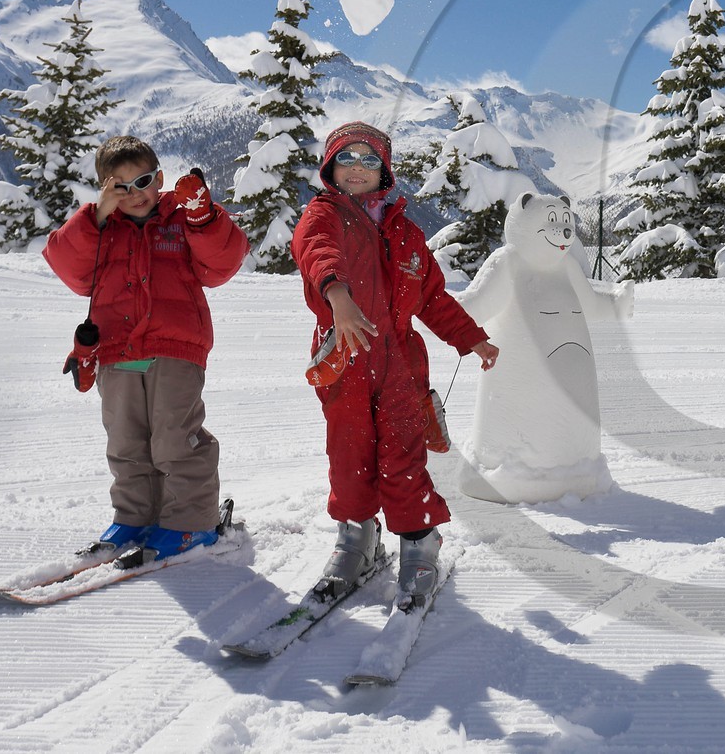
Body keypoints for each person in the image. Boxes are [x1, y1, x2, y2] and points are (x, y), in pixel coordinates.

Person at [291, 121, 499, 608]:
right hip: (344, 359)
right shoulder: (322, 215)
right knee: (349, 457)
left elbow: (433, 298)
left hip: (401, 365)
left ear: (384, 170)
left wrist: (472, 339)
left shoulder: (406, 233)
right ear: (330, 166)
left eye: (370, 159)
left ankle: (420, 544)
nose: (358, 168)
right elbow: (316, 253)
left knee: (403, 458)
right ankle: (357, 541)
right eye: (348, 157)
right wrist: (338, 296)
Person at [43, 136, 248, 560]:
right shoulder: (100, 228)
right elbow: (67, 266)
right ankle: (134, 515)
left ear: (160, 180)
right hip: (116, 351)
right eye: (119, 187)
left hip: (175, 348)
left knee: (175, 438)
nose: (134, 194)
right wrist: (95, 215)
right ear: (103, 190)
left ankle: (191, 523)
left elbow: (223, 263)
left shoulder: (182, 219)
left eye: (144, 181)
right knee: (126, 443)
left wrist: (203, 217)